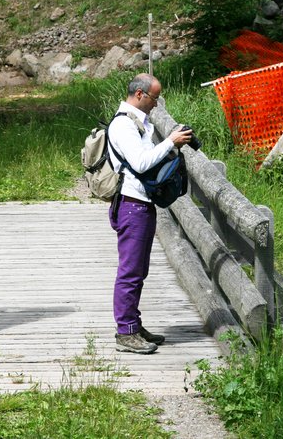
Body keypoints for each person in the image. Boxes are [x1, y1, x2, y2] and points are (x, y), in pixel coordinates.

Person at [108, 73, 192, 354]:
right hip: (132, 205)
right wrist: (170, 141)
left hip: (141, 204)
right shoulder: (123, 125)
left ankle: (134, 324)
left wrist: (170, 144)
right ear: (140, 94)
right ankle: (125, 333)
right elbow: (142, 163)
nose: (157, 104)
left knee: (139, 270)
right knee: (130, 271)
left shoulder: (137, 123)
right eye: (155, 98)